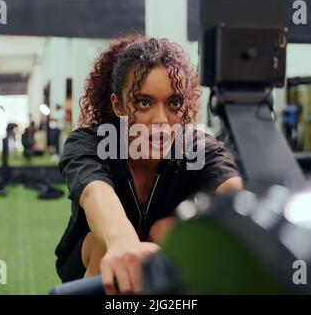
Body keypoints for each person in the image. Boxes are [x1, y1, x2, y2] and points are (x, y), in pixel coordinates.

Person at [55, 35, 243, 295]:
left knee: (167, 230)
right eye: (144, 103)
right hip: (93, 264)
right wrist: (123, 243)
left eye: (174, 103)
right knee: (105, 246)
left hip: (163, 267)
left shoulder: (195, 147)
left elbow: (233, 188)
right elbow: (93, 190)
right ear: (118, 105)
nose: (161, 121)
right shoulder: (92, 142)